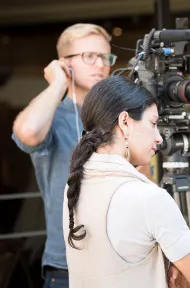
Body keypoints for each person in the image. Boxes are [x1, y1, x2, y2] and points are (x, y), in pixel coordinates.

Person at [62, 76, 190, 288]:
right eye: (153, 123)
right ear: (125, 122)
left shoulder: (75, 185)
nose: (159, 138)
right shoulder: (148, 198)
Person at [12, 23, 116, 287]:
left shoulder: (118, 119)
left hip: (122, 262)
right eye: (89, 56)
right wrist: (58, 83)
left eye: (105, 57)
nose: (100, 64)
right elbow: (29, 132)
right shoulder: (52, 118)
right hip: (68, 268)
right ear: (64, 63)